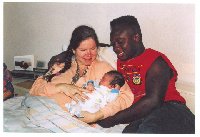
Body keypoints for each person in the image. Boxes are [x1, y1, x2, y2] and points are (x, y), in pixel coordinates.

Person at [96, 15, 195, 134]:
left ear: (136, 38)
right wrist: (69, 52)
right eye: (113, 44)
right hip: (143, 115)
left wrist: (114, 119)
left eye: (120, 42)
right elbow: (97, 48)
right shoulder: (122, 60)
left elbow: (153, 101)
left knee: (148, 130)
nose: (116, 48)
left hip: (171, 109)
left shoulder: (156, 61)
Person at [29, 25, 134, 124]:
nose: (89, 54)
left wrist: (97, 115)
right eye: (83, 50)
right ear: (74, 50)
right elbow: (34, 89)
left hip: (66, 121)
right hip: (38, 111)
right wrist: (61, 87)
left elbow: (126, 97)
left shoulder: (104, 69)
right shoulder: (59, 67)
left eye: (93, 49)